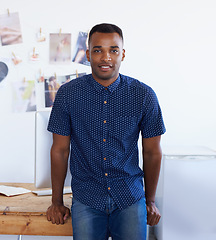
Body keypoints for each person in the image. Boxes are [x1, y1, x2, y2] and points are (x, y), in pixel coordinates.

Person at [46, 23, 166, 240]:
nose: (106, 57)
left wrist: (150, 201)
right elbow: (60, 150)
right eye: (98, 50)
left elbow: (152, 152)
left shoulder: (144, 95)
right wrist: (56, 202)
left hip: (129, 196)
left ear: (123, 54)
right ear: (88, 55)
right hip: (87, 198)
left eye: (113, 50)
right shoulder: (67, 94)